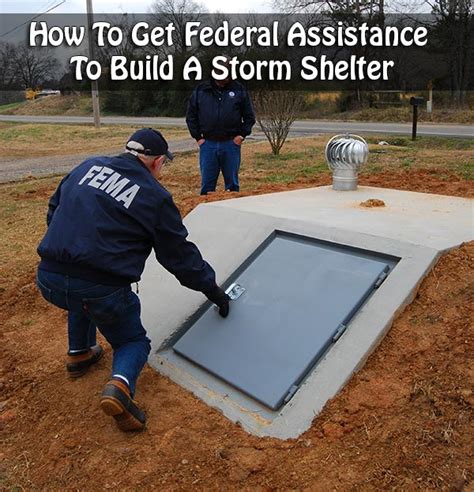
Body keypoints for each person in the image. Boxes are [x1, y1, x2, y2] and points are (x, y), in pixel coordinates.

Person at [36, 128, 230, 432]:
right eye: (163, 164)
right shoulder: (154, 197)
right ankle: (120, 389)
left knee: (82, 295)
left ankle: (79, 354)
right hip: (101, 288)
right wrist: (212, 289)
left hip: (48, 278)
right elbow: (179, 257)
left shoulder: (87, 166)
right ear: (155, 163)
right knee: (132, 340)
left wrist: (70, 247)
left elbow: (54, 208)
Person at [186, 63, 256, 195]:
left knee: (232, 186)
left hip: (231, 144)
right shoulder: (201, 90)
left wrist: (241, 136)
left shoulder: (239, 89)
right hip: (208, 144)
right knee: (207, 186)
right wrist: (198, 138)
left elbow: (249, 117)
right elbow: (191, 116)